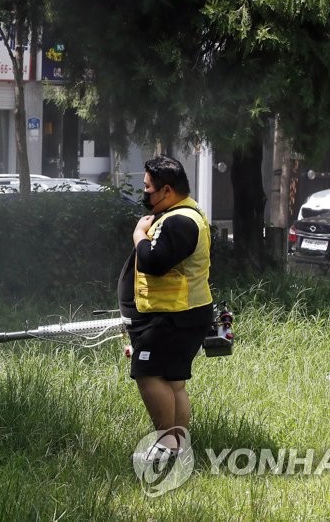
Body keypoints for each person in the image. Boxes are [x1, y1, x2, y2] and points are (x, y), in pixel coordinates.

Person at [119, 155, 213, 466]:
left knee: (148, 375)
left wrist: (138, 236)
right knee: (173, 381)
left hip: (173, 317)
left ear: (167, 190)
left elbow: (155, 263)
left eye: (147, 188)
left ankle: (166, 445)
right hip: (178, 315)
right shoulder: (180, 215)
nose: (144, 193)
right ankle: (177, 446)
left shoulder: (180, 221)